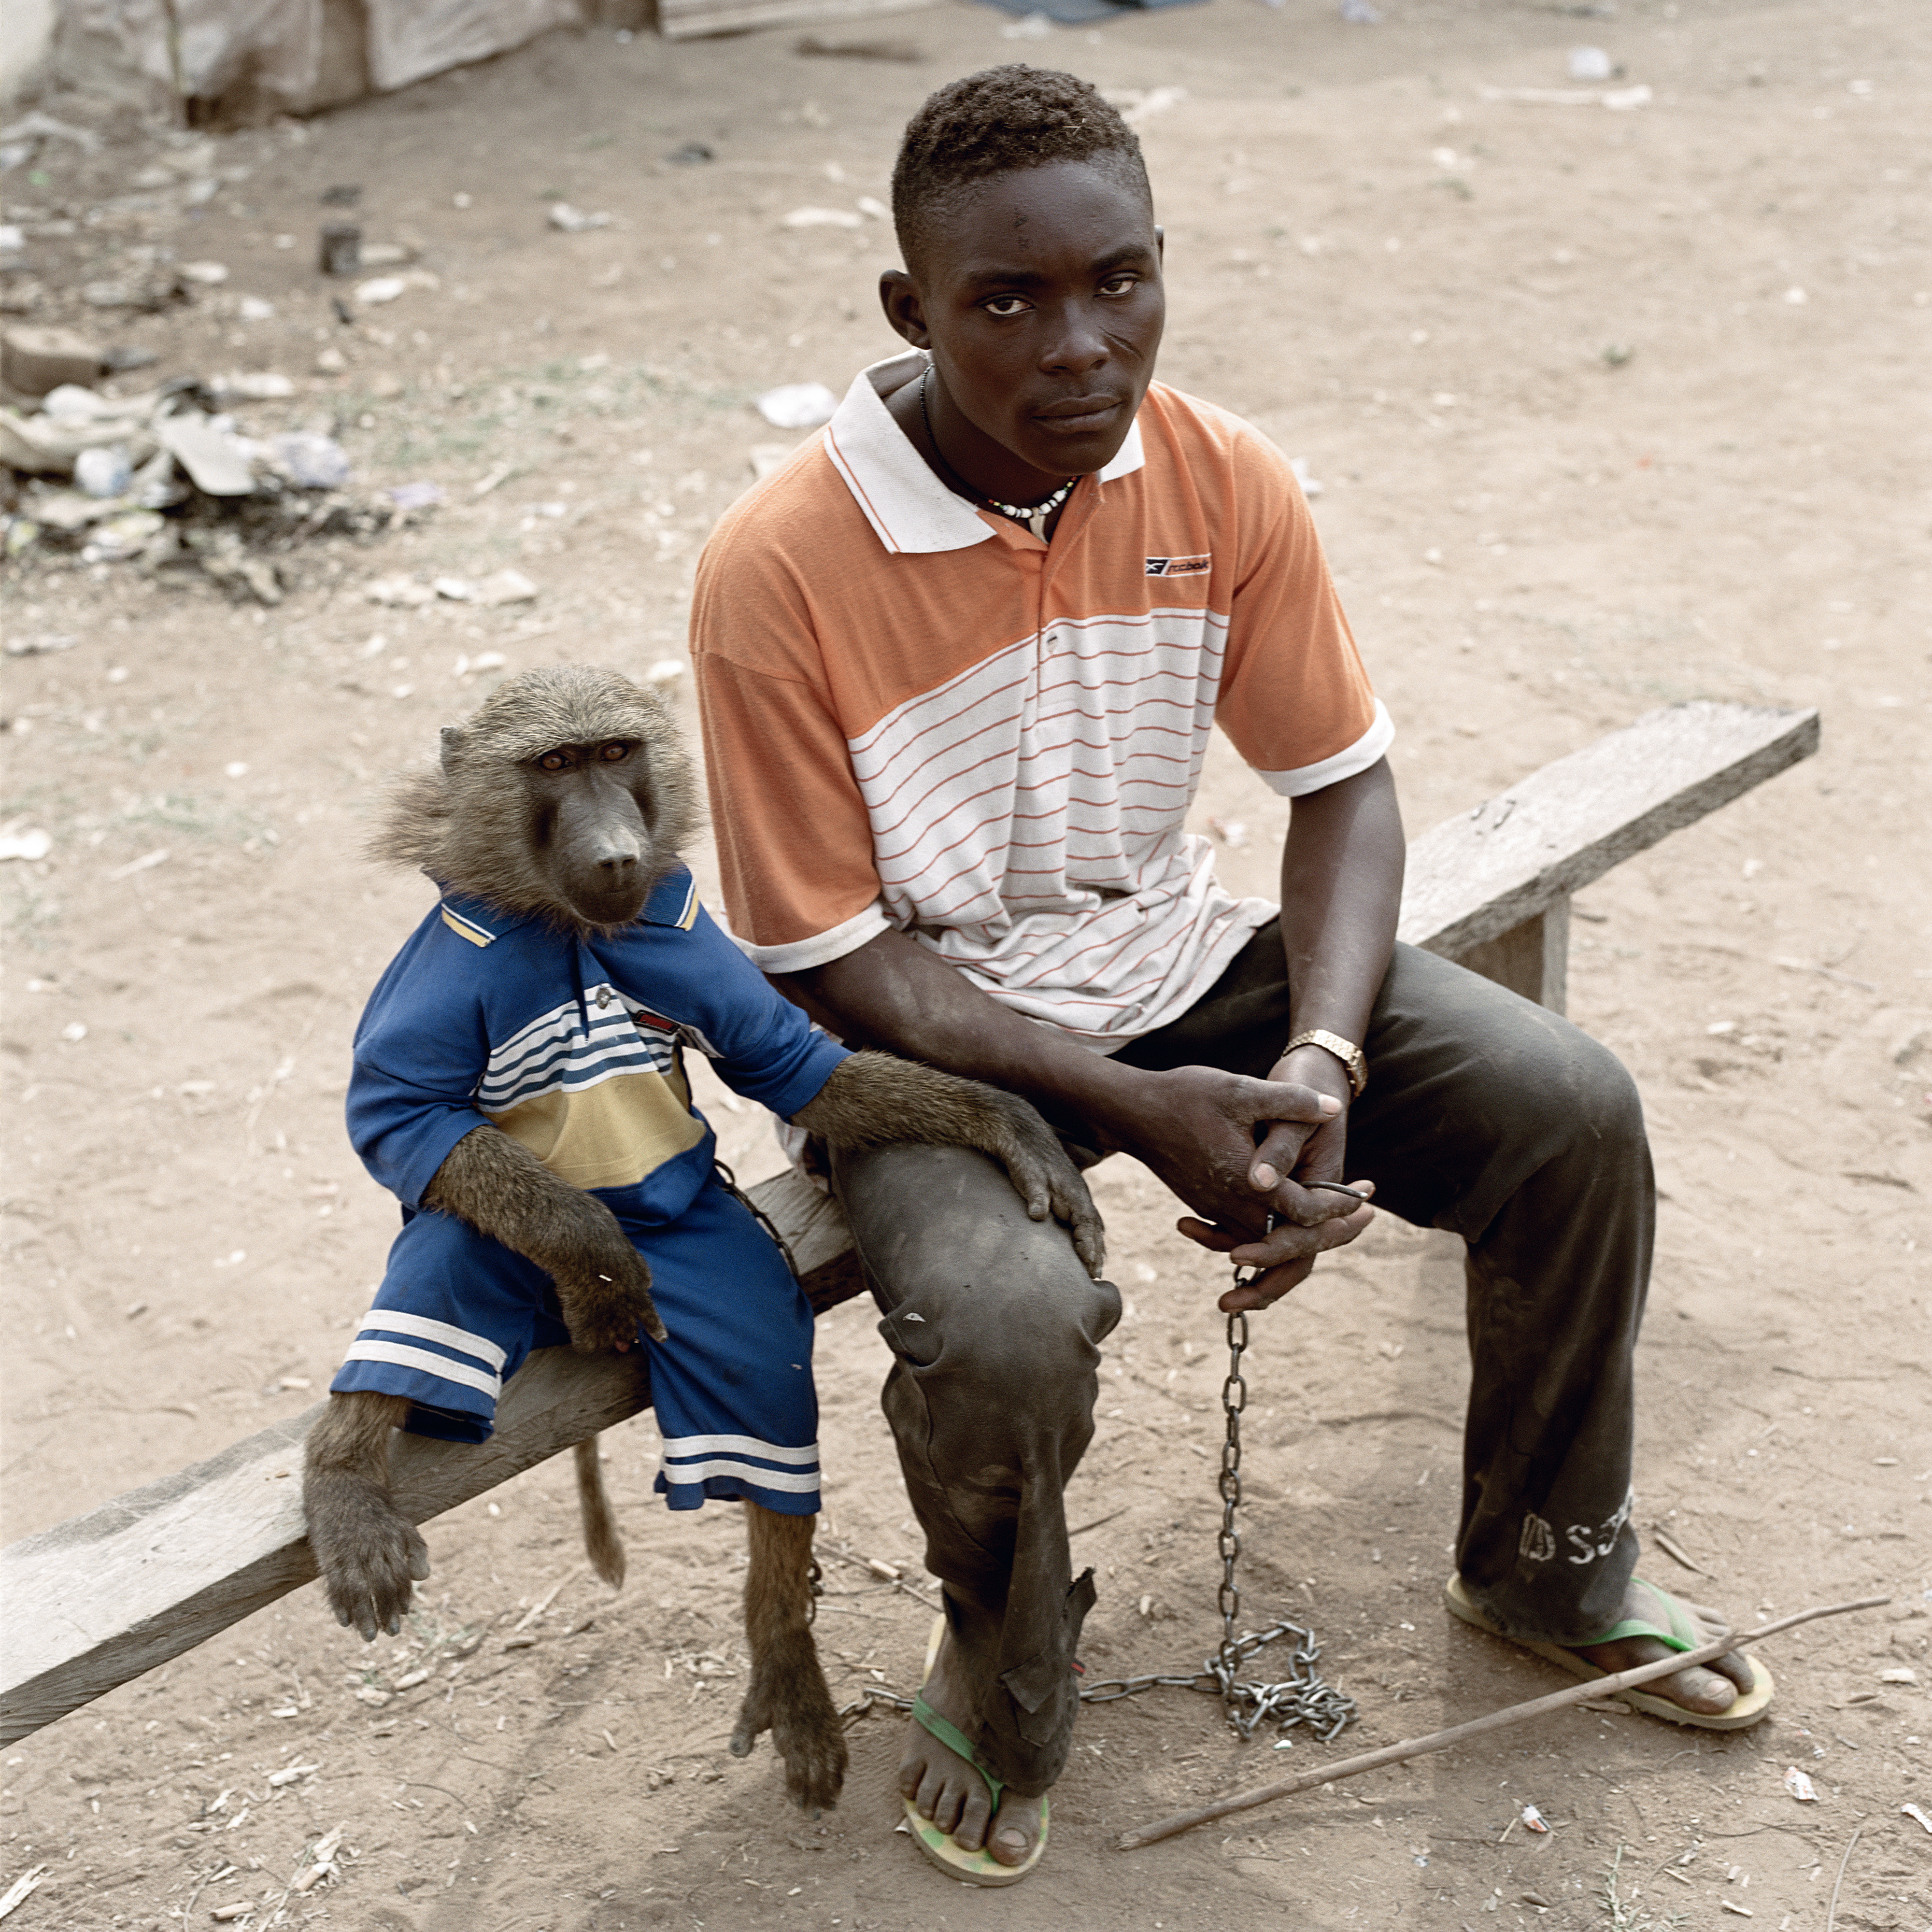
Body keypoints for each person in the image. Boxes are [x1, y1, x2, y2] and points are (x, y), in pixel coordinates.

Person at [691, 65, 1771, 1884]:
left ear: (1163, 268)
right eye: (1007, 301)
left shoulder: (1217, 476)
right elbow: (834, 957)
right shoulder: (779, 568)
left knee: (1569, 1111)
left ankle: (1549, 1565)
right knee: (1010, 1325)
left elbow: (1341, 782)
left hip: (1186, 962)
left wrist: (1330, 1063)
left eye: (1119, 282)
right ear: (911, 313)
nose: (1078, 347)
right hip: (930, 1040)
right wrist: (1135, 1108)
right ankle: (1008, 1654)